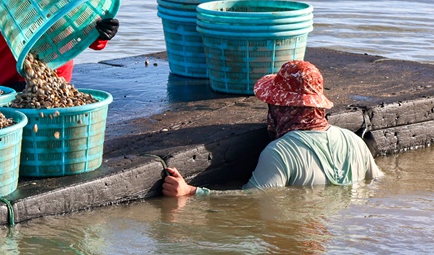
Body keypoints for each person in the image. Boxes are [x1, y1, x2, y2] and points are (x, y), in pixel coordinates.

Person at [162, 60, 382, 197]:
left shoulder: (280, 153)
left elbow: (250, 201)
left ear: (279, 108)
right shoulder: (353, 141)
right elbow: (379, 182)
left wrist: (191, 192)